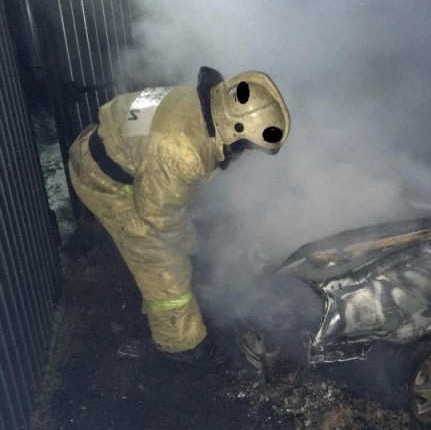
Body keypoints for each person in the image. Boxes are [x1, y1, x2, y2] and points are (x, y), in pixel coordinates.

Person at [68, 67, 290, 365]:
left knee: (181, 214)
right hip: (105, 181)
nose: (248, 154)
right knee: (163, 262)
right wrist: (192, 244)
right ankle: (179, 344)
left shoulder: (195, 103)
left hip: (115, 147)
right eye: (248, 147)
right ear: (231, 127)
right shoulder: (182, 154)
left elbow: (166, 163)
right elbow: (158, 215)